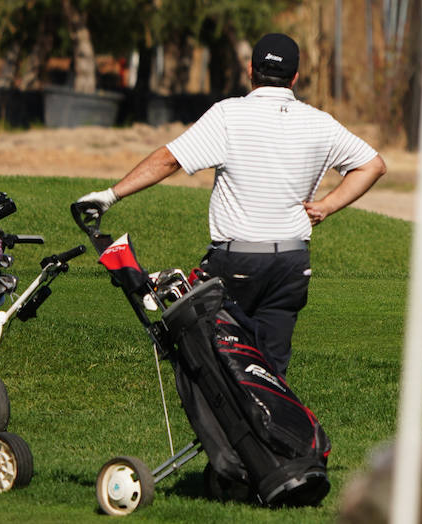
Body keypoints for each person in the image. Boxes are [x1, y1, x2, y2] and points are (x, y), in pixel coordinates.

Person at [75, 32, 386, 378]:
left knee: (215, 369)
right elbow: (372, 165)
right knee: (270, 374)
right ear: (295, 78)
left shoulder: (229, 114)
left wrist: (111, 195)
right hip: (292, 264)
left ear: (251, 71)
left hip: (235, 262)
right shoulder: (321, 123)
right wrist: (327, 205)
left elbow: (168, 160)